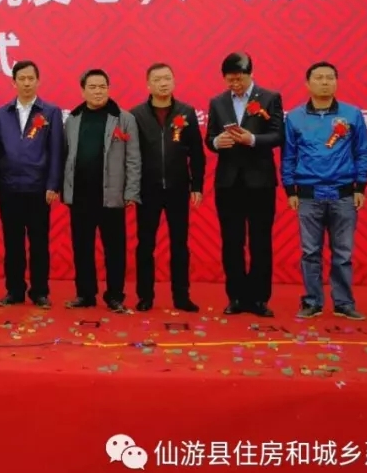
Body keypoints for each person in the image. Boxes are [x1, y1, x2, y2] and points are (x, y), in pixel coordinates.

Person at [281, 62, 367, 321]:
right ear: (307, 83)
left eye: (330, 78)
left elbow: (362, 152)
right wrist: (290, 190)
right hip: (308, 195)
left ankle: (344, 303)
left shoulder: (352, 114)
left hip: (344, 194)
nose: (324, 82)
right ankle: (312, 302)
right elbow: (288, 156)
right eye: (318, 78)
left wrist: (361, 186)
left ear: (336, 82)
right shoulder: (294, 117)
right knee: (310, 253)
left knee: (343, 253)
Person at [205, 52, 284, 317]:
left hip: (260, 182)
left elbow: (278, 135)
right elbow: (210, 137)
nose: (235, 84)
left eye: (239, 79)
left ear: (250, 74)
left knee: (260, 241)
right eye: (230, 80)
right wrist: (216, 142)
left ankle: (259, 298)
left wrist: (252, 139)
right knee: (231, 242)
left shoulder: (269, 98)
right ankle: (236, 297)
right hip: (228, 183)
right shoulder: (217, 102)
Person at [61, 69, 141, 312]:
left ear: (108, 88)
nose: (98, 91)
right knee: (82, 248)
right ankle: (85, 294)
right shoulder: (72, 119)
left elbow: (133, 159)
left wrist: (131, 191)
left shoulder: (124, 118)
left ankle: (115, 296)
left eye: (102, 86)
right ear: (82, 91)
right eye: (93, 87)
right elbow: (66, 155)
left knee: (114, 249)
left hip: (111, 195)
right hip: (80, 195)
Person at [129, 63, 204, 313]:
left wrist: (197, 185)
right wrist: (131, 188)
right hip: (147, 189)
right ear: (148, 85)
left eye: (167, 78)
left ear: (174, 81)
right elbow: (131, 156)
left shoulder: (186, 112)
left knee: (180, 244)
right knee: (145, 244)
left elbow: (196, 153)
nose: (163, 83)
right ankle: (145, 296)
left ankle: (181, 296)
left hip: (178, 188)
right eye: (157, 79)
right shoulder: (136, 115)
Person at [0, 60, 64, 309]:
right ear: (13, 82)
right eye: (21, 79)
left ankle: (40, 292)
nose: (26, 83)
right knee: (12, 244)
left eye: (31, 78)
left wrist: (53, 184)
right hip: (9, 188)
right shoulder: (2, 114)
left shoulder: (50, 112)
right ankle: (14, 291)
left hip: (38, 189)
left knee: (39, 243)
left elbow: (56, 151)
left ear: (38, 81)